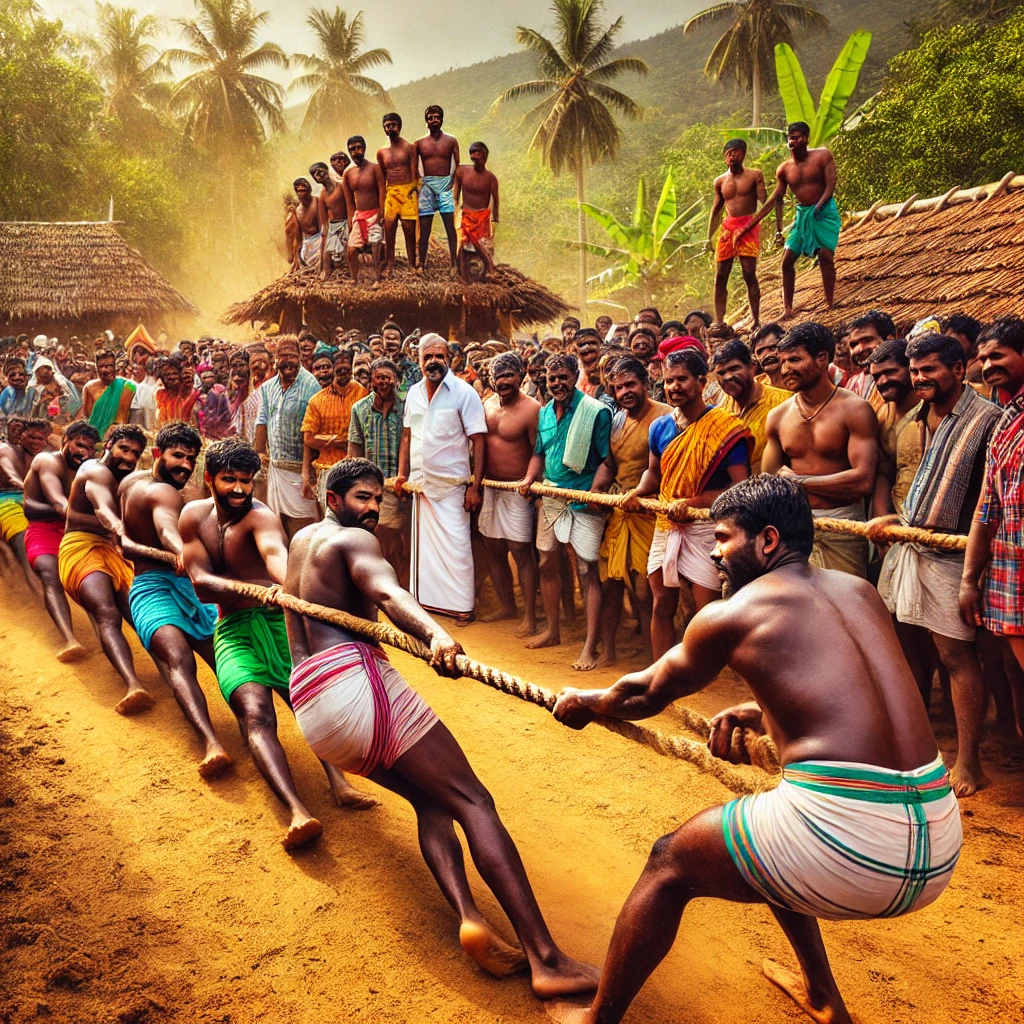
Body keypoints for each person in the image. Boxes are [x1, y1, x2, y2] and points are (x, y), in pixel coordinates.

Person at [548, 474, 961, 1024]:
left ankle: (596, 1020)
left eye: (723, 538)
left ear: (767, 541)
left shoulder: (732, 614)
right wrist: (764, 715)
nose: (715, 553)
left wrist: (586, 701)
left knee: (669, 862)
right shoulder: (859, 590)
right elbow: (857, 697)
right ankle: (822, 996)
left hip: (855, 848)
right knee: (761, 830)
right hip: (938, 835)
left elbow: (642, 694)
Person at [283, 457, 600, 995]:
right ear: (332, 499)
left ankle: (470, 916)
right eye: (361, 497)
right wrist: (435, 635)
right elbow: (388, 592)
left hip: (312, 706)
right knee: (474, 801)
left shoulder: (301, 543)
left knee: (432, 801)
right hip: (354, 686)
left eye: (377, 498)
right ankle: (546, 959)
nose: (371, 508)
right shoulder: (354, 543)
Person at [180, 438, 376, 850]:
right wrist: (257, 589)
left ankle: (339, 782)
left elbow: (277, 559)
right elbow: (200, 584)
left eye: (246, 481)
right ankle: (296, 811)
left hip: (277, 619)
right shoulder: (192, 517)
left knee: (307, 702)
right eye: (228, 479)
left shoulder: (261, 518)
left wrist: (285, 585)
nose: (238, 489)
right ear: (208, 478)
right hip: (232, 630)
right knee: (254, 714)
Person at [869, 334, 1001, 798]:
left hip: (954, 554)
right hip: (909, 542)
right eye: (916, 370)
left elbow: (991, 499)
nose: (921, 378)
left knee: (957, 656)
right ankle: (916, 746)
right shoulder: (913, 419)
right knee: (905, 649)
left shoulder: (989, 419)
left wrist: (975, 569)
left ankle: (970, 761)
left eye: (931, 369)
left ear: (959, 369)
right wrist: (892, 520)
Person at [120, 423, 232, 778]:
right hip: (153, 589)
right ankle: (211, 743)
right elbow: (167, 527)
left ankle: (247, 726)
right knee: (180, 660)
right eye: (177, 456)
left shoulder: (130, 482)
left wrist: (179, 558)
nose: (185, 464)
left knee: (222, 657)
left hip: (184, 588)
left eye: (191, 458)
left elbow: (124, 541)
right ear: (157, 454)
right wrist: (180, 553)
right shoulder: (165, 494)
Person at [627, 349, 751, 660]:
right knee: (661, 602)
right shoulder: (660, 427)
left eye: (682, 379)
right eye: (669, 381)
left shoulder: (724, 427)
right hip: (667, 522)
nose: (674, 387)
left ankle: (701, 673)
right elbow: (653, 475)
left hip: (707, 525)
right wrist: (637, 492)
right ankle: (661, 671)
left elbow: (740, 485)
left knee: (705, 607)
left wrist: (696, 501)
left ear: (700, 380)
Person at [519, 353, 613, 670]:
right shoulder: (544, 412)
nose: (557, 383)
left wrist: (594, 493)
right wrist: (530, 479)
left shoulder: (595, 412)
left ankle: (591, 645)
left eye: (563, 377)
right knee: (547, 559)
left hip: (584, 499)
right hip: (551, 496)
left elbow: (606, 461)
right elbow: (539, 455)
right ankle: (553, 630)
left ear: (575, 376)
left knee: (587, 571)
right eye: (552, 378)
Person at [763, 322, 878, 577]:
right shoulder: (778, 417)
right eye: (782, 362)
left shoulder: (855, 410)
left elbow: (863, 481)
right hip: (794, 527)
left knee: (846, 607)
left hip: (844, 525)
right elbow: (770, 482)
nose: (785, 370)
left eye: (794, 360)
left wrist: (800, 483)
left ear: (822, 359)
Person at [60, 424, 153, 715]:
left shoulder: (128, 480)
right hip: (79, 549)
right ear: (108, 444)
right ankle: (133, 685)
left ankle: (173, 679)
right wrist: (120, 530)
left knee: (140, 616)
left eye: (136, 453)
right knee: (107, 613)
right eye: (124, 448)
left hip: (112, 552)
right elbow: (102, 509)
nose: (129, 457)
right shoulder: (94, 469)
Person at [960, 315, 1024, 738]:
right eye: (983, 358)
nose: (987, 365)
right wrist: (969, 578)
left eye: (997, 355)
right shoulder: (1004, 423)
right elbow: (988, 505)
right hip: (1012, 574)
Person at [395, 334, 486, 625]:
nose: (434, 362)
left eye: (439, 356)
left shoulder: (464, 392)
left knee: (458, 549)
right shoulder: (413, 393)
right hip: (422, 485)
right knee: (425, 552)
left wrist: (476, 487)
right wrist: (402, 474)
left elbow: (478, 441)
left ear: (450, 358)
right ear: (418, 361)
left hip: (453, 487)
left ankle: (463, 608)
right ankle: (430, 605)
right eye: (428, 357)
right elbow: (407, 435)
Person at [592, 357, 670, 665]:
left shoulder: (665, 417)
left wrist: (644, 496)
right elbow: (610, 465)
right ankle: (621, 651)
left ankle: (657, 661)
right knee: (613, 582)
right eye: (618, 386)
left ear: (645, 384)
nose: (625, 391)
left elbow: (668, 468)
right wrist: (597, 491)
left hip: (653, 512)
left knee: (645, 590)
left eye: (631, 385)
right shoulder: (615, 421)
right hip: (620, 512)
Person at [740, 122, 840, 317]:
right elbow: (778, 198)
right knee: (787, 261)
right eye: (790, 138)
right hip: (802, 216)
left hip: (824, 212)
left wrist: (819, 205)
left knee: (825, 256)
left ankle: (830, 303)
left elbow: (831, 183)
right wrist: (778, 228)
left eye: (797, 137)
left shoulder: (822, 155)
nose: (792, 141)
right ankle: (788, 308)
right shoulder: (784, 169)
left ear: (806, 138)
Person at [23, 421, 100, 661]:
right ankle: (69, 639)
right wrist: (106, 524)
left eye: (89, 449)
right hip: (43, 530)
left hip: (73, 530)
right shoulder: (47, 461)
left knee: (88, 580)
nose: (83, 452)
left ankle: (103, 635)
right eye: (79, 444)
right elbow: (59, 505)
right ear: (65, 438)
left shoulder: (87, 468)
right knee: (50, 573)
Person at [479, 354, 540, 635]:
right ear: (491, 378)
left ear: (520, 375)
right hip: (490, 487)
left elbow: (537, 451)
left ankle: (530, 616)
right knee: (493, 547)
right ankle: (507, 606)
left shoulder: (532, 409)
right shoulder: (485, 405)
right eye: (498, 376)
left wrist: (529, 482)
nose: (503, 381)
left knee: (521, 551)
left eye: (509, 375)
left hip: (518, 489)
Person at [348, 357, 407, 580]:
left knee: (406, 542)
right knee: (383, 541)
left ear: (397, 381)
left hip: (405, 485)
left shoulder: (406, 407)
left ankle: (406, 586)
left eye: (388, 378)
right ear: (371, 381)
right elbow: (355, 448)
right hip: (375, 487)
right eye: (379, 378)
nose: (383, 383)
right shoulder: (360, 409)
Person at [254, 338, 321, 536]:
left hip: (300, 469)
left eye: (293, 356)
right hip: (275, 468)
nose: (289, 361)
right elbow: (262, 420)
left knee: (302, 526)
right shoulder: (267, 388)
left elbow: (312, 429)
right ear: (276, 359)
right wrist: (259, 454)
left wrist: (308, 472)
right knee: (276, 525)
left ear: (300, 358)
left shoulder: (311, 385)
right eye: (284, 356)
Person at [706, 139, 766, 324]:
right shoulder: (720, 181)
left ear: (744, 154)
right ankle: (720, 321)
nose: (733, 155)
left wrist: (773, 224)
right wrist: (708, 237)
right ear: (725, 157)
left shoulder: (754, 175)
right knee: (721, 275)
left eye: (737, 151)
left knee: (749, 273)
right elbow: (716, 209)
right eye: (729, 153)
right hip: (728, 227)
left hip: (749, 224)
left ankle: (756, 320)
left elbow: (765, 203)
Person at [301, 347, 368, 510]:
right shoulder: (317, 400)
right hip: (327, 471)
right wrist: (306, 477)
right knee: (330, 521)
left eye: (346, 366)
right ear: (332, 369)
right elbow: (308, 439)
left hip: (356, 472)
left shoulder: (362, 394)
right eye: (338, 366)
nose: (342, 370)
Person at [714, 340, 790, 474]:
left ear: (752, 368)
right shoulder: (721, 411)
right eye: (721, 373)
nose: (727, 377)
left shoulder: (784, 402)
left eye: (734, 368)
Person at [868, 339, 923, 519]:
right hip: (893, 514)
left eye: (890, 372)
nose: (883, 381)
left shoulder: (932, 411)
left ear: (910, 369)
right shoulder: (882, 415)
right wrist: (881, 517)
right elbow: (884, 471)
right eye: (876, 376)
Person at [0, 417, 50, 596]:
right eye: (32, 437)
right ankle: (35, 586)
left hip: (32, 499)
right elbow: (11, 475)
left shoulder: (44, 457)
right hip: (6, 499)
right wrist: (26, 488)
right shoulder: (6, 449)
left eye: (40, 439)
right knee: (23, 533)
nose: (35, 442)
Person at [416, 105, 460, 269]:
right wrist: (422, 182)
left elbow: (457, 164)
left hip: (445, 184)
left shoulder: (451, 140)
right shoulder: (419, 143)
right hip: (427, 185)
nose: (434, 120)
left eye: (437, 117)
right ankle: (422, 263)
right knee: (425, 228)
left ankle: (454, 263)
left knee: (450, 226)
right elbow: (414, 165)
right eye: (430, 117)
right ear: (426, 121)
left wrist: (451, 183)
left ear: (442, 119)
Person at [377, 112, 420, 274]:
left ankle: (411, 264)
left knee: (409, 230)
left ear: (399, 126)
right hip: (391, 193)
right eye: (387, 126)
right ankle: (389, 263)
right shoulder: (381, 152)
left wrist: (414, 192)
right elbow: (382, 177)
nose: (390, 128)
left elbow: (414, 171)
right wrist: (382, 203)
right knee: (389, 230)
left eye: (393, 124)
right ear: (384, 129)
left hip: (407, 191)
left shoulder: (409, 147)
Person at [342, 135, 386, 285]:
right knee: (351, 249)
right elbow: (349, 201)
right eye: (352, 149)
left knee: (375, 246)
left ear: (364, 148)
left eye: (358, 147)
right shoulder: (348, 174)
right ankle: (354, 278)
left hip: (374, 214)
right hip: (359, 216)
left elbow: (382, 193)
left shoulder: (375, 168)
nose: (356, 151)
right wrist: (350, 220)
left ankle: (377, 278)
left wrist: (380, 216)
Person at [453, 141, 500, 281]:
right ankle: (460, 274)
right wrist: (454, 213)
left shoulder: (491, 178)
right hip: (466, 215)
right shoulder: (462, 171)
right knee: (461, 245)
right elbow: (455, 196)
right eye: (472, 153)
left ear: (484, 155)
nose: (473, 156)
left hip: (482, 217)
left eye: (477, 152)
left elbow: (496, 200)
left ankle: (489, 268)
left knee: (482, 247)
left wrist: (494, 221)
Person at [845, 310, 896, 411]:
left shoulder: (907, 377)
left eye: (867, 340)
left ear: (889, 339)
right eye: (854, 344)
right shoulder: (852, 384)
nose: (859, 349)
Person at [80, 350, 136, 436]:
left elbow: (127, 417)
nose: (107, 370)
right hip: (95, 438)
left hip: (120, 436)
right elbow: (88, 417)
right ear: (96, 368)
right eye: (102, 366)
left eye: (110, 365)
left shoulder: (128, 387)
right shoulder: (89, 388)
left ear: (115, 367)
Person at [310, 160, 348, 280]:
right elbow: (323, 220)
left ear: (327, 170)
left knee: (348, 246)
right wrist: (325, 233)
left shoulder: (341, 186)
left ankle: (350, 269)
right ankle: (326, 270)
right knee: (327, 248)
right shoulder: (323, 195)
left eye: (321, 171)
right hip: (334, 225)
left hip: (347, 221)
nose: (319, 175)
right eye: (315, 174)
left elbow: (351, 203)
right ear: (315, 179)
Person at [155, 356, 199, 427]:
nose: (172, 377)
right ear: (162, 379)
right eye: (167, 375)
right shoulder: (160, 395)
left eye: (174, 374)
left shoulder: (189, 392)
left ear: (180, 375)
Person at [195, 362, 233, 439]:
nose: (209, 380)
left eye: (211, 376)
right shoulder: (196, 393)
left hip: (218, 431)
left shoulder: (218, 390)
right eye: (205, 378)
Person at [292, 177, 322, 270]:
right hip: (307, 242)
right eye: (299, 191)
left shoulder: (318, 203)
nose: (301, 194)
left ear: (309, 191)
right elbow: (297, 237)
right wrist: (296, 259)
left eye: (303, 190)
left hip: (319, 238)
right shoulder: (297, 210)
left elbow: (324, 227)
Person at [751, 323, 786, 389]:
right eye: (760, 352)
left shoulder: (799, 380)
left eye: (772, 348)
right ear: (755, 358)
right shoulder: (757, 387)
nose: (766, 355)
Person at [573, 329, 602, 397]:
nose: (587, 347)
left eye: (592, 343)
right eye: (582, 344)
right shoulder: (574, 375)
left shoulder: (611, 370)